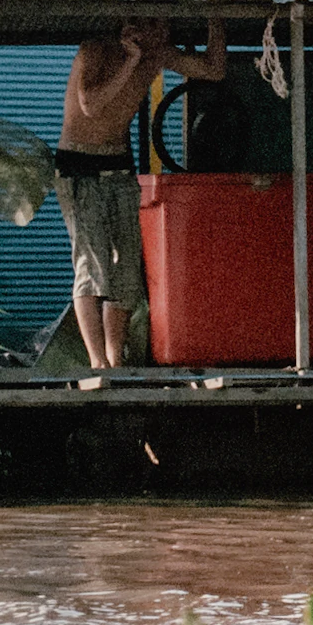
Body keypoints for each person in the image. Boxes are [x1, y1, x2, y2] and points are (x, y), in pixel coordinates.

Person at [57, 18, 225, 367]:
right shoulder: (96, 50)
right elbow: (91, 104)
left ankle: (115, 360)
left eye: (162, 28)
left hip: (119, 166)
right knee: (93, 265)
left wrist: (215, 19)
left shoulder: (157, 54)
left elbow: (214, 71)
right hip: (79, 167)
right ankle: (97, 362)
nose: (157, 35)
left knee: (128, 270)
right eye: (146, 26)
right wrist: (131, 60)